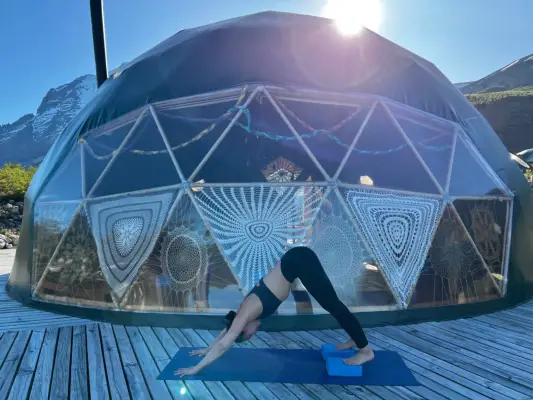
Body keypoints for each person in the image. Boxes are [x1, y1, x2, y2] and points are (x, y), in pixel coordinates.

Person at [175, 246, 374, 377]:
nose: (253, 335)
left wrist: (196, 368)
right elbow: (227, 332)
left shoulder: (246, 314)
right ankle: (355, 340)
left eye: (249, 335)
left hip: (299, 261)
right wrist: (206, 348)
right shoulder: (244, 314)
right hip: (296, 260)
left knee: (334, 306)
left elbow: (225, 344)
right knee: (333, 305)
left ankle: (365, 351)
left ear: (244, 328)